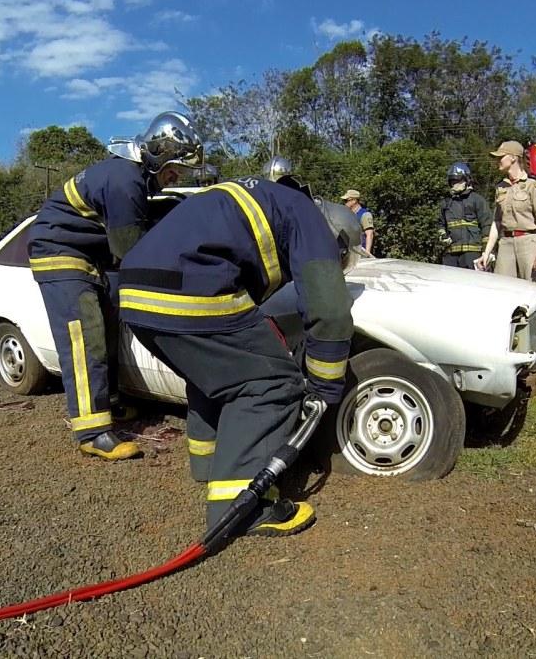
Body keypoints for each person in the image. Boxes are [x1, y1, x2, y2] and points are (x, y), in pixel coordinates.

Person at [118, 174, 362, 537]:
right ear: (337, 239)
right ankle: (242, 508)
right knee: (273, 382)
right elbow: (330, 311)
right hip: (186, 289)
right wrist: (324, 387)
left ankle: (210, 466)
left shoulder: (266, 199)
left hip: (135, 293)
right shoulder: (308, 217)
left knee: (219, 373)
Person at [28, 111, 204, 461]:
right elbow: (130, 253)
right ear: (159, 155)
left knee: (109, 328)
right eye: (174, 169)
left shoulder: (132, 175)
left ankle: (109, 402)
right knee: (85, 337)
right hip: (60, 254)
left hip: (90, 256)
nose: (175, 177)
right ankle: (92, 433)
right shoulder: (125, 182)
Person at [475, 141, 536, 282]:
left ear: (513, 158)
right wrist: (487, 252)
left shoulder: (533, 185)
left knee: (533, 287)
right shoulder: (501, 187)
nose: (497, 160)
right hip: (505, 244)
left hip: (528, 243)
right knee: (503, 287)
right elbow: (497, 222)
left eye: (501, 157)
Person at [438, 162, 492, 269]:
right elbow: (440, 224)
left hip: (472, 253)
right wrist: (442, 236)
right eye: (452, 181)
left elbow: (487, 225)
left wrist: (486, 250)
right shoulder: (446, 203)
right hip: (451, 253)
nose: (455, 184)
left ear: (467, 180)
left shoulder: (477, 200)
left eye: (458, 180)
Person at [341, 189, 374, 254]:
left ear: (354, 201)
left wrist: (367, 253)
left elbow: (369, 234)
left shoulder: (365, 215)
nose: (345, 203)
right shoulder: (349, 215)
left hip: (361, 254)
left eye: (346, 200)